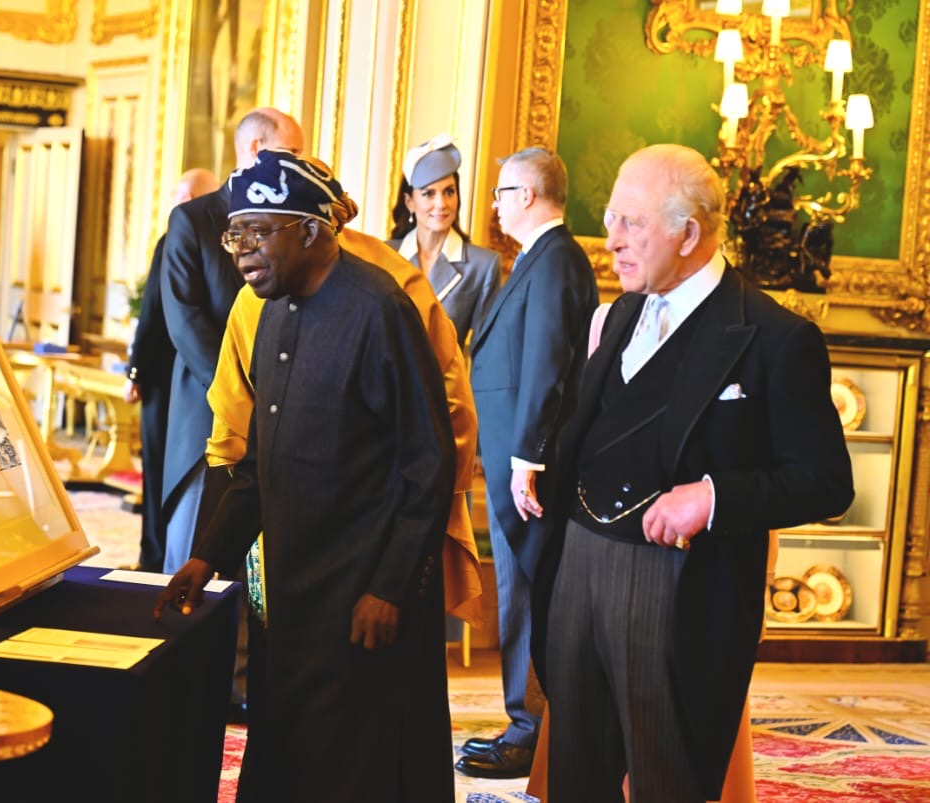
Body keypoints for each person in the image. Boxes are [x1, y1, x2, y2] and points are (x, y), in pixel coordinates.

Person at [532, 143, 853, 802]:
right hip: (578, 570)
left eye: (632, 223)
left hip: (673, 589)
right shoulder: (619, 314)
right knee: (575, 774)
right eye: (611, 219)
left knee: (664, 779)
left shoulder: (774, 336)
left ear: (688, 233)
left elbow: (826, 479)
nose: (611, 240)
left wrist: (712, 498)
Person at [155, 150, 458, 803]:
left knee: (350, 768)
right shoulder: (270, 312)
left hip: (359, 598)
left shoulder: (379, 310)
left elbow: (429, 462)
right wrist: (206, 556)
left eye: (260, 232)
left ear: (314, 230)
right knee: (286, 753)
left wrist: (390, 588)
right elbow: (257, 467)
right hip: (290, 594)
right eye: (236, 234)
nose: (242, 252)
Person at [455, 146, 598, 780]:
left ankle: (531, 732)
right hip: (519, 461)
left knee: (529, 594)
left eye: (500, 193)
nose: (493, 205)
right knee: (519, 591)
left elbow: (546, 369)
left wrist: (526, 460)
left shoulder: (557, 260)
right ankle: (525, 722)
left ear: (530, 195)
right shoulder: (539, 260)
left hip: (531, 470)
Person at [159, 107, 303, 576]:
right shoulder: (193, 220)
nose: (302, 162)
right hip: (209, 409)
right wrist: (238, 393)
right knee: (195, 548)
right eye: (293, 152)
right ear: (258, 151)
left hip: (279, 410)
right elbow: (184, 322)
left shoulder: (290, 223)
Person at [123, 167, 220, 571]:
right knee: (164, 471)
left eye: (185, 197)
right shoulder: (205, 236)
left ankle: (155, 556)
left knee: (165, 470)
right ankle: (155, 554)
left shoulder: (178, 237)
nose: (177, 206)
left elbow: (152, 314)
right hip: (182, 377)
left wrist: (135, 371)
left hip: (169, 377)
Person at [388, 134, 501, 349]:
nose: (441, 203)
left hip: (444, 382)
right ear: (409, 202)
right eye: (429, 194)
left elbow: (485, 350)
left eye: (449, 192)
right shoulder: (383, 256)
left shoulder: (483, 266)